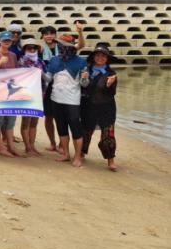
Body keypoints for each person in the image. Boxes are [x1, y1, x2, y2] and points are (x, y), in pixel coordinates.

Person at [47, 33, 89, 167]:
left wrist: (85, 78)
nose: (62, 48)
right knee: (61, 128)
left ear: (72, 47)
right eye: (60, 45)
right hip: (55, 99)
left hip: (72, 101)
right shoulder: (54, 60)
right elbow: (48, 79)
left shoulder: (81, 61)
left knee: (76, 129)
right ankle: (66, 154)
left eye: (65, 46)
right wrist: (37, 72)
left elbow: (84, 84)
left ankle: (77, 156)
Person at [81, 43, 118, 171]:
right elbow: (82, 88)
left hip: (107, 108)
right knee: (86, 132)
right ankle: (81, 153)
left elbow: (112, 93)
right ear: (93, 57)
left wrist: (109, 85)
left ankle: (110, 160)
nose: (100, 58)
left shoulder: (111, 73)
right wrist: (83, 79)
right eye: (98, 55)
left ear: (107, 58)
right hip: (89, 106)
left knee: (108, 135)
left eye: (103, 56)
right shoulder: (87, 70)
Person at [0, 31, 21, 157]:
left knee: (11, 121)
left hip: (11, 92)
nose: (7, 42)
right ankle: (1, 147)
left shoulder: (13, 55)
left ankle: (11, 146)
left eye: (9, 40)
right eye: (4, 40)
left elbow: (16, 73)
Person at [18, 38, 48, 156]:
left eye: (34, 47)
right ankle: (27, 147)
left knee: (34, 122)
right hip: (26, 94)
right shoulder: (21, 61)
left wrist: (41, 73)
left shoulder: (40, 62)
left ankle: (32, 145)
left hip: (39, 94)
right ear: (25, 49)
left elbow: (47, 78)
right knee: (26, 122)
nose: (32, 50)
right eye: (29, 48)